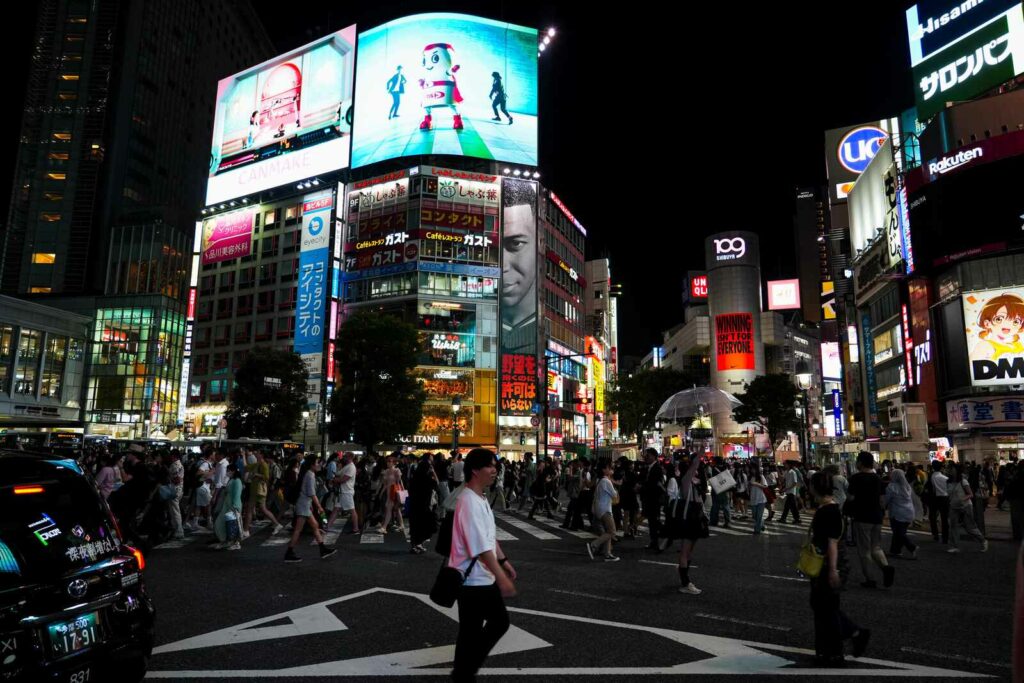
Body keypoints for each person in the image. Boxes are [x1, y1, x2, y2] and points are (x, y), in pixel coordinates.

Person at [449, 449, 516, 682]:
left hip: (478, 577)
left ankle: (462, 673)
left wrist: (504, 559)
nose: (494, 470)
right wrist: (502, 578)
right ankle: (465, 671)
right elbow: (480, 547)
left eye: (495, 465)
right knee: (499, 622)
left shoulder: (480, 498)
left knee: (470, 631)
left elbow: (489, 536)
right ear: (475, 470)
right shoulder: (468, 501)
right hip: (473, 579)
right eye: (490, 466)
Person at [807, 470, 870, 666]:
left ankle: (847, 639)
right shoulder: (829, 508)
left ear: (815, 488)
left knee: (825, 607)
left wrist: (833, 570)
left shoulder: (829, 511)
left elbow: (832, 542)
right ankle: (830, 651)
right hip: (827, 564)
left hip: (828, 564)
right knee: (824, 607)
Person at [845, 451, 894, 589]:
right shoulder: (877, 478)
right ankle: (885, 567)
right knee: (876, 547)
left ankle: (870, 579)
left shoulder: (855, 478)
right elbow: (882, 500)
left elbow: (850, 498)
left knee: (864, 550)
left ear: (860, 462)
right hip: (876, 516)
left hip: (862, 516)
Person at [500, 182, 538, 355]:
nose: (502, 266)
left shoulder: (547, 327)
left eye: (515, 243)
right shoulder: (469, 325)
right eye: (490, 248)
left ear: (540, 242)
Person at [284, 455, 337, 563]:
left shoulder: (308, 474)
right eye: (317, 463)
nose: (319, 465)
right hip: (303, 506)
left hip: (305, 505)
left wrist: (312, 505)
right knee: (298, 530)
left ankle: (323, 549)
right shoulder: (310, 475)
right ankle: (289, 552)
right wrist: (319, 507)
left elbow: (306, 493)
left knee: (315, 526)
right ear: (312, 465)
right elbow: (312, 494)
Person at [675, 455, 706, 595]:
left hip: (696, 518)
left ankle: (685, 577)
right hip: (689, 518)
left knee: (689, 551)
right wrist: (699, 454)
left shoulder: (693, 481)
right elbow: (694, 466)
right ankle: (685, 582)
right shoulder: (686, 480)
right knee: (685, 551)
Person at [947, 464, 988, 553]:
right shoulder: (948, 482)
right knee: (953, 526)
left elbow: (970, 494)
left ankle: (983, 541)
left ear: (957, 471)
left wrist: (962, 499)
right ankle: (955, 546)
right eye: (950, 469)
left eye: (952, 469)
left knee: (970, 527)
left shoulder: (963, 481)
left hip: (965, 506)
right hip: (953, 506)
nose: (950, 471)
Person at [585, 459, 620, 562]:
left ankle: (607, 553)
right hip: (605, 509)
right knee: (612, 532)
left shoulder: (600, 480)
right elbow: (614, 495)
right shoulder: (606, 481)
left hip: (599, 509)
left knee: (607, 532)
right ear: (604, 470)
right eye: (610, 468)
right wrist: (615, 484)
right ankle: (594, 545)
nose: (611, 470)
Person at [244, 450, 283, 535]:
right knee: (262, 509)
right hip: (257, 490)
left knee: (250, 510)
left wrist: (257, 475)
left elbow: (267, 477)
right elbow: (246, 467)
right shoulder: (257, 464)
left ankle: (246, 530)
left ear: (261, 455)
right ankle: (277, 524)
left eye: (257, 452)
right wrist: (243, 455)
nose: (255, 453)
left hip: (258, 490)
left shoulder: (264, 464)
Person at [884, 469, 918, 559]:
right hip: (909, 512)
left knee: (899, 533)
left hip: (897, 513)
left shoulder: (891, 486)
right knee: (898, 533)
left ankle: (912, 547)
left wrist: (883, 507)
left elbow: (886, 500)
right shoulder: (907, 486)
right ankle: (895, 551)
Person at [409, 454, 439, 553]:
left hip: (415, 505)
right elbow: (437, 483)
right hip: (425, 505)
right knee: (426, 525)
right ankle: (419, 544)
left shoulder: (415, 478)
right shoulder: (428, 479)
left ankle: (415, 545)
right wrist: (433, 472)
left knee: (415, 525)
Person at [327, 452, 359, 533]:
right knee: (336, 509)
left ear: (350, 457)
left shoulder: (351, 467)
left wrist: (334, 480)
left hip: (347, 492)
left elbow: (343, 479)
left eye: (345, 456)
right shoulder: (347, 466)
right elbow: (338, 474)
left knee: (352, 510)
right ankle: (327, 526)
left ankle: (356, 529)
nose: (343, 457)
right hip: (343, 492)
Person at [375, 456, 407, 537]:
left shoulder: (397, 470)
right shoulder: (386, 471)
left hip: (395, 492)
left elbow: (400, 482)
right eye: (387, 461)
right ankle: (401, 525)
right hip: (389, 492)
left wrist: (403, 492)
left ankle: (384, 527)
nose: (388, 463)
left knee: (389, 509)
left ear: (394, 462)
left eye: (390, 461)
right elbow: (385, 484)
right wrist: (381, 492)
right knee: (396, 510)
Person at [928, 460, 950, 543]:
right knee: (944, 518)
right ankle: (945, 537)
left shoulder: (931, 476)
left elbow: (931, 489)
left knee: (932, 517)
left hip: (935, 498)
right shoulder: (945, 477)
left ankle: (935, 534)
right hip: (945, 498)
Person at [780, 460, 802, 524]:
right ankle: (786, 518)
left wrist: (786, 489)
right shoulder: (787, 472)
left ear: (789, 465)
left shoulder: (793, 472)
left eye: (785, 464)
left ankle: (796, 519)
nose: (784, 465)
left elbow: (795, 483)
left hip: (792, 492)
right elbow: (782, 479)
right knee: (790, 506)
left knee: (791, 506)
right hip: (788, 492)